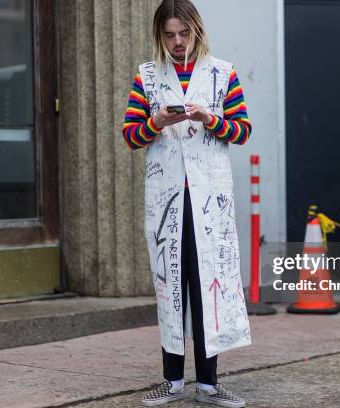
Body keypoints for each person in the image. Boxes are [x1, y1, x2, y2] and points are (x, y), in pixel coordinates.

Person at [122, 1, 252, 406]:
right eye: (169, 35)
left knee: (208, 287)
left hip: (208, 199)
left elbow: (242, 130)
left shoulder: (222, 73)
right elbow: (130, 135)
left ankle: (209, 384)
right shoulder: (147, 77)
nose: (178, 43)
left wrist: (209, 118)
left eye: (184, 33)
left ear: (197, 30)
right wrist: (155, 123)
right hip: (166, 202)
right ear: (159, 35)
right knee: (170, 286)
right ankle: (172, 380)